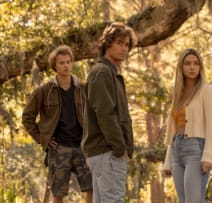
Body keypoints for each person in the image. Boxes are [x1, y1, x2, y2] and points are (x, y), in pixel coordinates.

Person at [22, 45, 93, 203]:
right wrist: (42, 139)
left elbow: (94, 114)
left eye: (68, 62)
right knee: (58, 193)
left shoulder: (82, 88)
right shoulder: (44, 91)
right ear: (55, 65)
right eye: (61, 63)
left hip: (82, 146)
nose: (66, 65)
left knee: (92, 187)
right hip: (58, 148)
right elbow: (27, 117)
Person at [81, 22, 137, 203]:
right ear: (108, 43)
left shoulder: (111, 73)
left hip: (107, 152)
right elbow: (105, 114)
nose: (124, 48)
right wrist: (120, 148)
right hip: (107, 151)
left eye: (127, 45)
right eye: (119, 43)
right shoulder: (102, 72)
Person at [162, 48, 212, 203]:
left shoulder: (207, 91)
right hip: (177, 150)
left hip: (196, 150)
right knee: (183, 200)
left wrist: (208, 156)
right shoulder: (177, 95)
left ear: (200, 67)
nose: (192, 67)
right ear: (181, 67)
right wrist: (167, 161)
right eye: (187, 63)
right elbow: (173, 132)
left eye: (196, 63)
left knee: (193, 200)